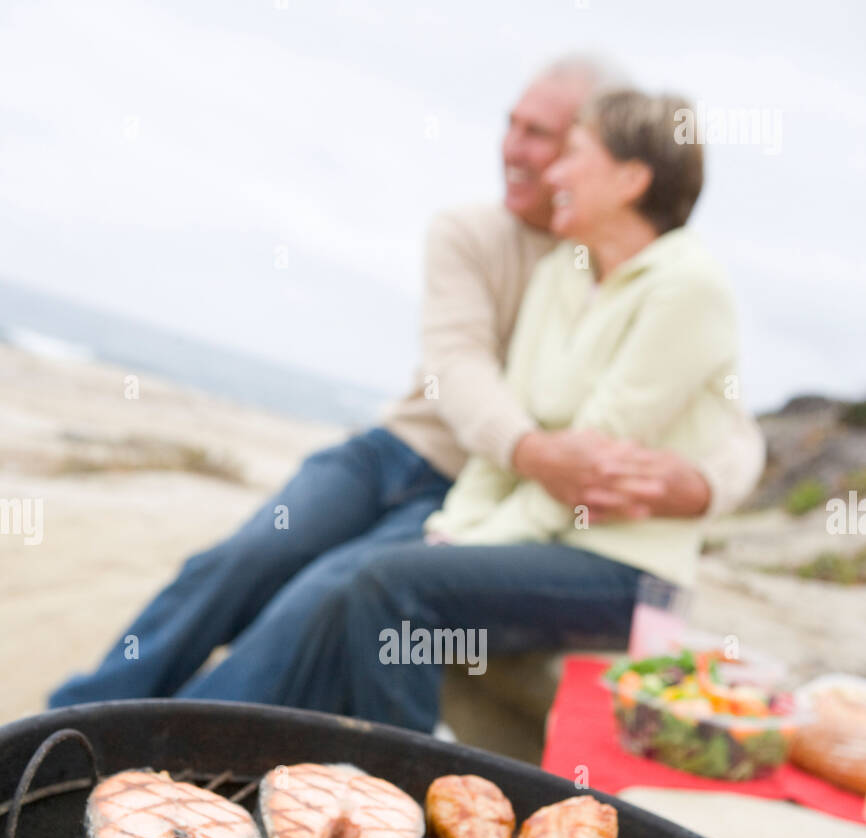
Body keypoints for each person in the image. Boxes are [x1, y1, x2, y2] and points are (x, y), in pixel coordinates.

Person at [48, 65, 762, 716]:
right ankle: (75, 719)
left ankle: (169, 750)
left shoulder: (638, 267)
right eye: (511, 125)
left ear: (623, 169)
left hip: (474, 490)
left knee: (328, 594)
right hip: (413, 454)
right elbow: (459, 369)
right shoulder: (485, 238)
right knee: (245, 558)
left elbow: (717, 420)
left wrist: (703, 486)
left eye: (548, 138)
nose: (515, 150)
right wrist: (528, 455)